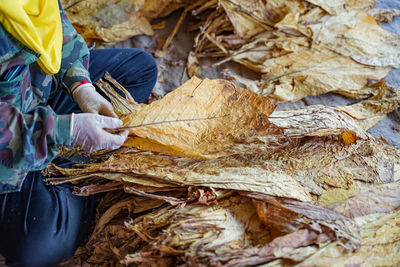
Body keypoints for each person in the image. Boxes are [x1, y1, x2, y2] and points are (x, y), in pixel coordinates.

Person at [0, 0, 157, 266]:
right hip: (9, 161)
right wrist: (65, 130)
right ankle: (67, 171)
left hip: (36, 96)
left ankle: (66, 166)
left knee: (139, 69)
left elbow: (56, 26)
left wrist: (82, 87)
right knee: (40, 250)